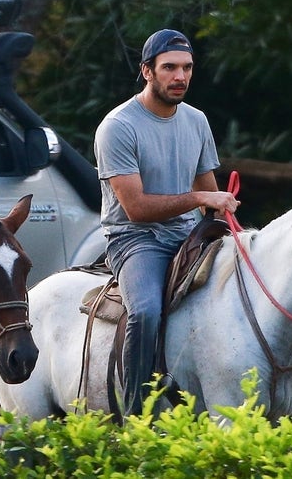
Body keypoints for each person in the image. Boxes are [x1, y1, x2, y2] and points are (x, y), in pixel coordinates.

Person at [93, 29, 239, 416]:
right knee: (145, 310)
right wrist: (198, 199)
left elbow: (209, 194)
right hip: (135, 239)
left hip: (187, 234)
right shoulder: (118, 126)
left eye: (187, 68)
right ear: (147, 71)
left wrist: (225, 220)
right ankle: (135, 414)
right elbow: (137, 209)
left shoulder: (196, 121)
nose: (180, 77)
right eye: (170, 68)